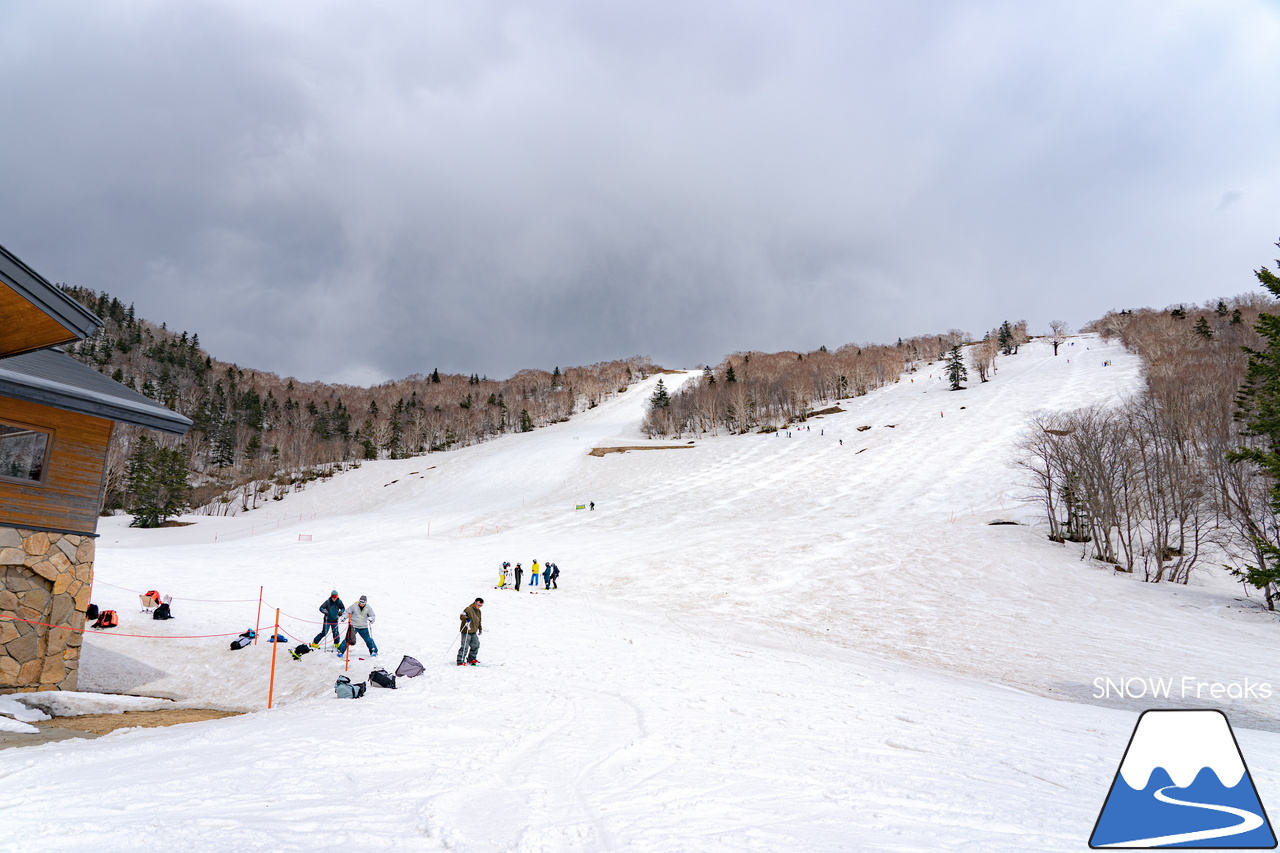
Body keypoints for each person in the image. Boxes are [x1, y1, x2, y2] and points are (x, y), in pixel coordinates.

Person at [457, 598, 483, 666]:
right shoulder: (468, 609)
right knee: (465, 646)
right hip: (466, 631)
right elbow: (462, 616)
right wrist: (466, 619)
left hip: (473, 631)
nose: (479, 606)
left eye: (480, 605)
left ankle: (471, 659)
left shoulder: (479, 611)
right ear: (475, 602)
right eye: (478, 604)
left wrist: (480, 628)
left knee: (476, 645)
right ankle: (460, 660)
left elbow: (479, 621)